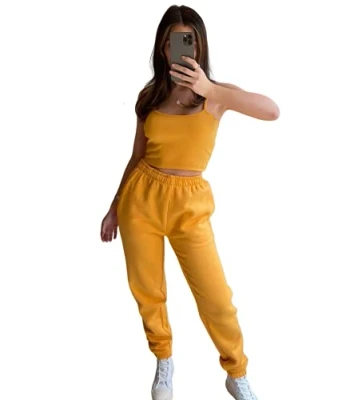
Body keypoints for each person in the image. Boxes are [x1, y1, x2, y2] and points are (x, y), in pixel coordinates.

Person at [100, 5, 279, 400]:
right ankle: (163, 358)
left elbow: (272, 111)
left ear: (200, 46)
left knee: (216, 299)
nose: (180, 49)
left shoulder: (215, 96)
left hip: (189, 205)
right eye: (172, 42)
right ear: (162, 48)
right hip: (141, 199)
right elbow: (136, 156)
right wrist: (114, 206)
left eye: (189, 41)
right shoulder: (149, 96)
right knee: (147, 290)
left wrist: (210, 89)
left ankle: (236, 371)